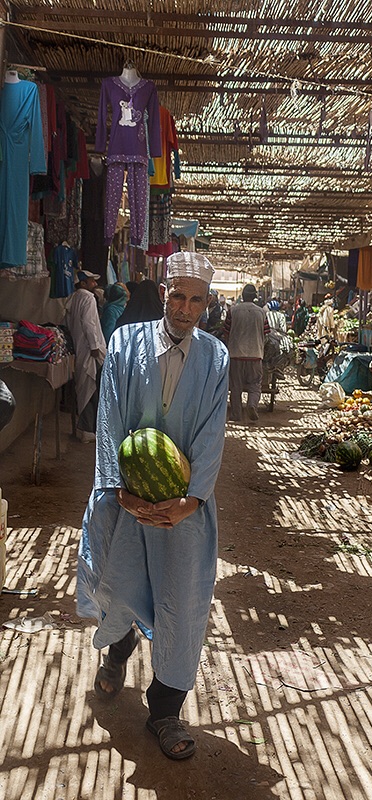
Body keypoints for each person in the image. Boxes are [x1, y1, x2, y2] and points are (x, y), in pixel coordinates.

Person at [77, 251, 229, 761]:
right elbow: (110, 419)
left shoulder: (215, 358)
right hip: (128, 499)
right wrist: (120, 488)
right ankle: (118, 651)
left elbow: (212, 433)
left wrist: (191, 501)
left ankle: (165, 709)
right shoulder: (125, 342)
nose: (185, 308)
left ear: (207, 304)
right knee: (121, 587)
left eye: (197, 299)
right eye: (178, 296)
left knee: (181, 603)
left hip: (183, 511)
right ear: (165, 294)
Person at [65, 270, 107, 443]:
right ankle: (87, 428)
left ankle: (85, 428)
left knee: (84, 388)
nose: (95, 285)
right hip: (89, 350)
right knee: (90, 389)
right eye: (91, 281)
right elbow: (89, 324)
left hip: (80, 347)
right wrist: (95, 346)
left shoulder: (74, 298)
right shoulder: (87, 298)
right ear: (83, 283)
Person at [223, 283, 269, 422]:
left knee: (235, 387)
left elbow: (226, 332)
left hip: (236, 354)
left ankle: (236, 415)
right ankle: (252, 404)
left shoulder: (233, 310)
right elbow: (266, 333)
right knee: (255, 385)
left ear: (242, 296)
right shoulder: (261, 312)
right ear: (254, 297)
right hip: (255, 355)